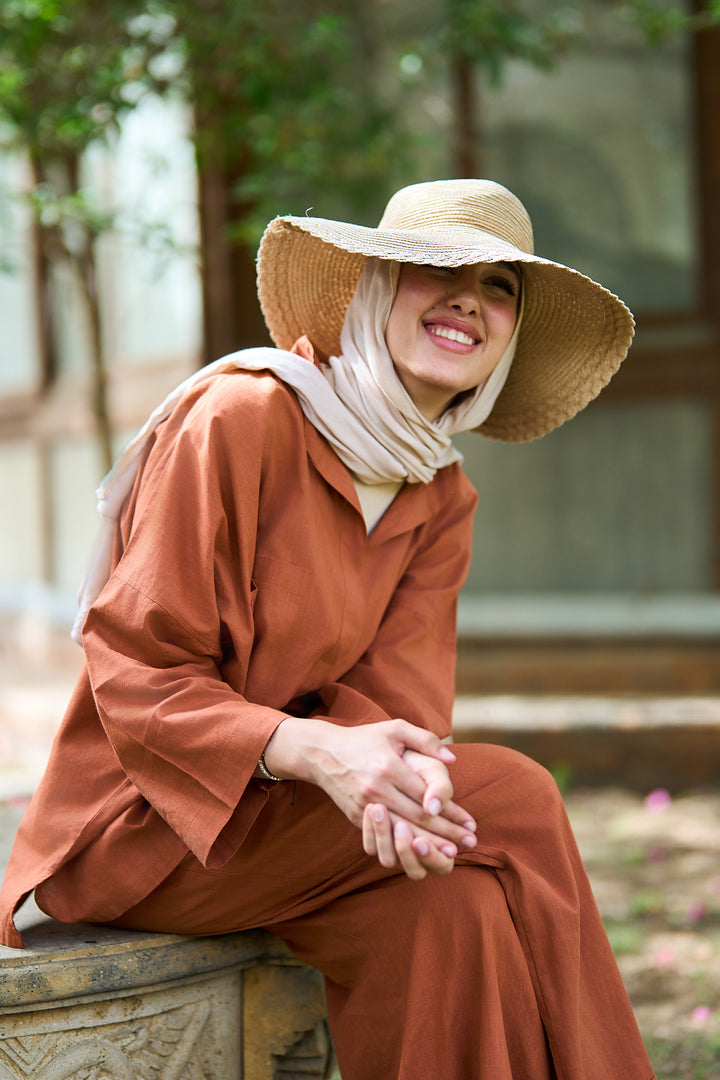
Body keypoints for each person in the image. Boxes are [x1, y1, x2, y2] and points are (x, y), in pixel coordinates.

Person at [0, 179, 655, 1080]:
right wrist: (316, 754)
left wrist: (400, 788)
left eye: (501, 285)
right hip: (151, 828)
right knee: (519, 796)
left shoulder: (440, 494)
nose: (471, 295)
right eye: (438, 270)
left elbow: (400, 706)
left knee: (447, 914)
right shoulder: (244, 417)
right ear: (377, 289)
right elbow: (137, 674)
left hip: (303, 827)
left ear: (508, 334)